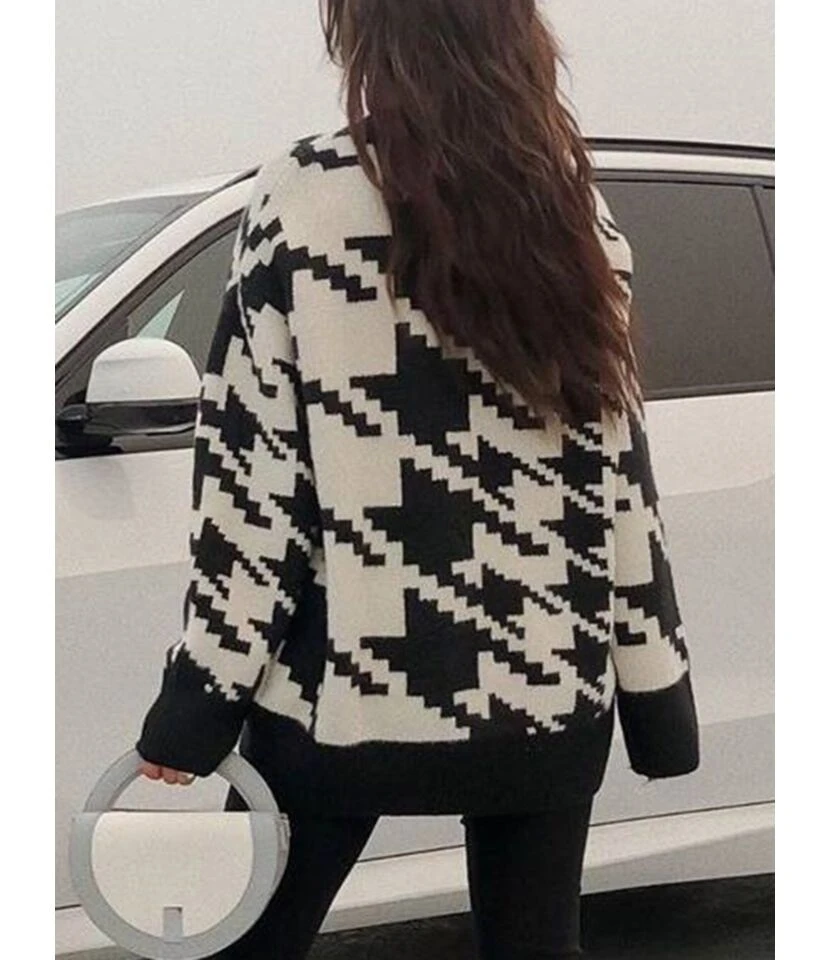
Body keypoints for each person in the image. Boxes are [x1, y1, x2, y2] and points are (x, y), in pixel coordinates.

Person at [135, 1, 700, 957]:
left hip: (345, 694)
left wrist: (197, 706)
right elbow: (619, 481)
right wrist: (657, 697)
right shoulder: (571, 208)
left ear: (368, 35)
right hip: (546, 688)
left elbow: (252, 488)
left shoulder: (305, 198)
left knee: (242, 944)